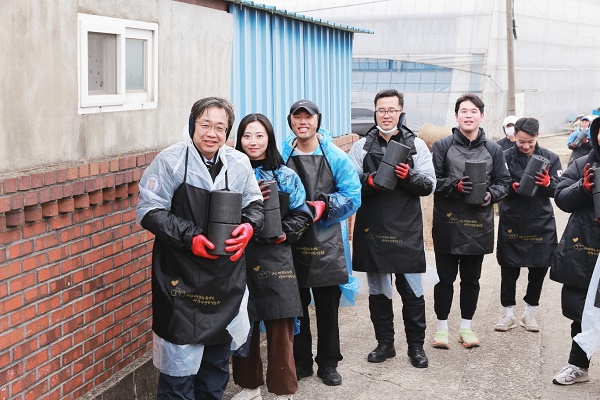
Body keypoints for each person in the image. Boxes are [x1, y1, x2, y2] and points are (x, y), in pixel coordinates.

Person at [136, 97, 264, 400]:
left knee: (215, 369)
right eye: (205, 125)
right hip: (180, 281)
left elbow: (255, 204)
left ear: (227, 132)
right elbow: (149, 211)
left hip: (224, 281)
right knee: (177, 375)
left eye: (220, 127)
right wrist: (190, 236)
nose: (212, 133)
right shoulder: (170, 161)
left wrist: (249, 226)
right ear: (193, 124)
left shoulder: (238, 163)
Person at [348, 89, 435, 368]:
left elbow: (429, 184)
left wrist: (409, 177)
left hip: (405, 229)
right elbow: (349, 186)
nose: (386, 115)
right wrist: (369, 181)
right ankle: (385, 344)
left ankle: (416, 347)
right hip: (373, 228)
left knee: (412, 291)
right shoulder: (361, 147)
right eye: (381, 110)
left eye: (392, 110)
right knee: (379, 292)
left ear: (401, 112)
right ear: (375, 113)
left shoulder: (416, 145)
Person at [231, 113, 313, 400]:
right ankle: (250, 387)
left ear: (270, 139)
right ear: (239, 140)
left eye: (259, 135)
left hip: (276, 258)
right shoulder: (231, 173)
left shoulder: (285, 175)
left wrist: (284, 233)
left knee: (280, 327)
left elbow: (303, 213)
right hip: (239, 258)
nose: (253, 142)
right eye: (246, 136)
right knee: (244, 325)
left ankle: (283, 390)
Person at [281, 99, 361, 387]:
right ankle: (301, 362)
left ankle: (328, 363)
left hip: (327, 241)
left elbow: (353, 195)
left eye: (308, 117)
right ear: (290, 121)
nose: (303, 122)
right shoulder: (282, 154)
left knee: (327, 307)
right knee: (296, 305)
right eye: (297, 117)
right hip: (291, 240)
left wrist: (325, 205)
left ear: (318, 120)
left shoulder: (335, 156)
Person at [431, 93, 511, 349]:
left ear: (481, 116)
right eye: (463, 111)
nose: (468, 115)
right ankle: (442, 328)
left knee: (471, 280)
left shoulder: (494, 149)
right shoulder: (443, 146)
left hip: (478, 224)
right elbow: (433, 181)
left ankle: (466, 327)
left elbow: (504, 182)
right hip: (448, 223)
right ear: (456, 116)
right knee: (445, 279)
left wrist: (491, 195)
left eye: (473, 111)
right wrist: (455, 186)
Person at [494, 117, 561, 333]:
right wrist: (510, 187)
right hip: (513, 219)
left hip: (541, 221)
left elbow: (561, 190)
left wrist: (548, 183)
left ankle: (529, 313)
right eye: (521, 141)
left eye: (530, 142)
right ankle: (508, 314)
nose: (525, 146)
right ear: (514, 136)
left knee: (539, 268)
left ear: (538, 136)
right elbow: (496, 185)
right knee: (509, 268)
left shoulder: (551, 158)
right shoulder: (504, 157)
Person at [550, 117, 600, 385]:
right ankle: (578, 366)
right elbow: (561, 198)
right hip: (583, 246)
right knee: (580, 310)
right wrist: (584, 187)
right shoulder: (582, 164)